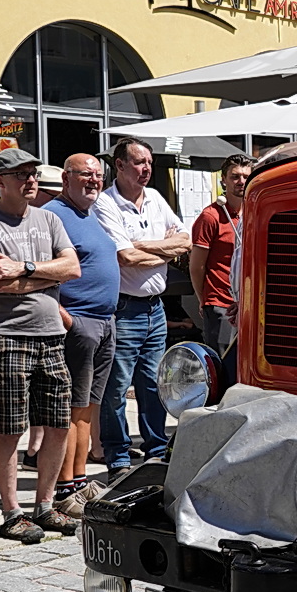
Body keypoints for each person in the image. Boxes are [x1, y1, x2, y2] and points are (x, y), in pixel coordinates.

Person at [0, 148, 82, 542]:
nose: (30, 180)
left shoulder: (49, 218)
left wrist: (24, 267)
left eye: (32, 173)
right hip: (7, 336)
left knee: (58, 423)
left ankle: (45, 506)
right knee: (9, 428)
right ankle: (12, 511)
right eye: (20, 175)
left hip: (51, 334)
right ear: (0, 182)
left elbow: (73, 268)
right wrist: (49, 276)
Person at [94, 137, 188, 477]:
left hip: (155, 309)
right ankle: (118, 457)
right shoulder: (106, 203)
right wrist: (165, 250)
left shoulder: (156, 199)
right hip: (124, 309)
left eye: (149, 162)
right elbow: (125, 257)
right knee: (116, 388)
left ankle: (156, 450)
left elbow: (186, 240)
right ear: (119, 165)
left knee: (153, 385)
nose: (146, 168)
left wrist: (145, 245)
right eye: (139, 162)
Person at [45, 153, 119, 518]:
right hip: (79, 323)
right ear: (65, 178)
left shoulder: (90, 214)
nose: (94, 181)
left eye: (98, 175)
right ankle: (63, 489)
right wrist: (67, 319)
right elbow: (43, 275)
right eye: (85, 174)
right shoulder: (53, 215)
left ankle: (79, 480)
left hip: (104, 322)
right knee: (72, 408)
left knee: (88, 407)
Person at [189, 154, 251, 351]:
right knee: (224, 361)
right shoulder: (211, 216)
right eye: (235, 176)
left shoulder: (254, 213)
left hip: (249, 305)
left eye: (246, 176)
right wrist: (204, 300)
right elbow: (196, 266)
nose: (241, 181)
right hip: (221, 305)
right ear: (223, 179)